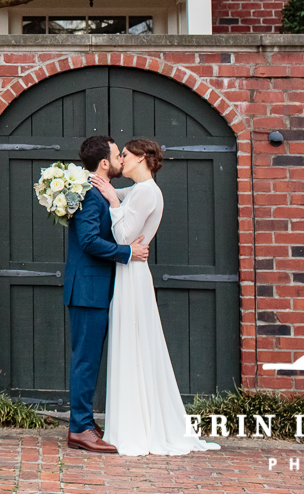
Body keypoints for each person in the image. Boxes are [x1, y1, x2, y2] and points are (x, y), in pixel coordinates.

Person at [89, 137, 221, 456]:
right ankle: (135, 420)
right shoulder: (140, 191)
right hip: (130, 273)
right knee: (133, 343)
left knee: (133, 343)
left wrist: (114, 202)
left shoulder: (148, 192)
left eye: (125, 155)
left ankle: (137, 428)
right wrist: (101, 186)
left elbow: (122, 236)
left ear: (141, 158)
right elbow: (111, 193)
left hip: (132, 275)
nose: (121, 159)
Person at [63, 135, 149, 454]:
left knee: (90, 359)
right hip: (87, 290)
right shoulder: (89, 193)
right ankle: (80, 429)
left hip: (95, 289)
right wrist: (127, 252)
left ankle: (84, 423)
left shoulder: (99, 191)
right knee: (85, 361)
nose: (120, 160)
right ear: (104, 163)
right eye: (117, 155)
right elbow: (88, 241)